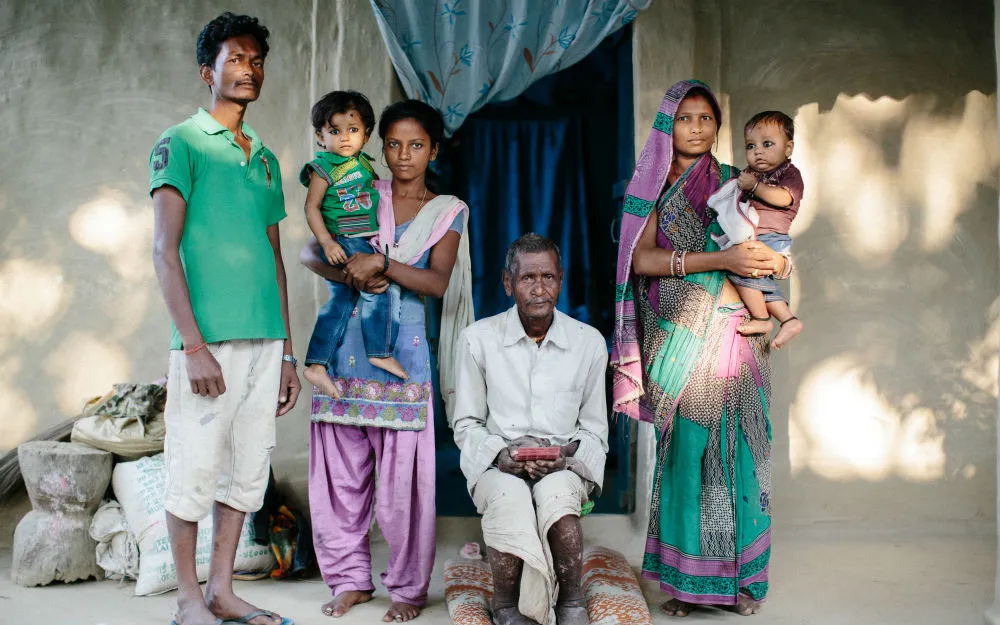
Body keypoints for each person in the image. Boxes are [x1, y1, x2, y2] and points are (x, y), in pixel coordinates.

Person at [611, 80, 791, 618]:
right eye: (685, 118)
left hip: (735, 329)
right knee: (687, 454)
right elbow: (639, 263)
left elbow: (776, 236)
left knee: (742, 452)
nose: (696, 127)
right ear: (668, 124)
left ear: (717, 125)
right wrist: (723, 262)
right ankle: (685, 583)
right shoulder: (646, 189)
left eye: (706, 119)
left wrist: (776, 265)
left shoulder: (738, 181)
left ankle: (742, 584)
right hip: (679, 332)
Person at [149, 12, 300, 625]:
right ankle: (189, 599)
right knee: (192, 466)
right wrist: (193, 345)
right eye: (236, 59)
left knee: (246, 469)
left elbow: (274, 258)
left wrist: (288, 353)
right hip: (207, 341)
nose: (249, 69)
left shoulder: (263, 157)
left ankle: (222, 589)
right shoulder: (180, 142)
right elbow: (163, 251)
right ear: (208, 71)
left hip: (266, 341)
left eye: (256, 60)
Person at [301, 99, 474, 623]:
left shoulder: (448, 210)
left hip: (405, 358)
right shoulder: (357, 189)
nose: (403, 155)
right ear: (381, 146)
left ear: (434, 150)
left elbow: (436, 282)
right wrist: (353, 273)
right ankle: (350, 579)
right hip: (341, 355)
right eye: (394, 144)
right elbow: (311, 252)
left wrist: (385, 263)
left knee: (403, 490)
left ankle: (406, 588)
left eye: (416, 144)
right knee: (339, 480)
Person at [452, 233, 609, 625]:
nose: (539, 289)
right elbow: (466, 423)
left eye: (549, 277)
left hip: (563, 464)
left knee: (557, 494)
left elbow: (595, 430)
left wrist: (563, 459)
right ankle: (505, 605)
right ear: (508, 283)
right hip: (498, 463)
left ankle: (570, 600)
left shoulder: (587, 343)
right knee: (508, 495)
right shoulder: (478, 339)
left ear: (561, 279)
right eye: (527, 279)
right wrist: (500, 455)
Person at [301, 90, 410, 400]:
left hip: (363, 238)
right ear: (321, 137)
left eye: (352, 130)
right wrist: (326, 242)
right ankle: (378, 350)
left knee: (340, 303)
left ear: (366, 134)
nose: (344, 138)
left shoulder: (363, 164)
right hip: (343, 239)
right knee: (379, 289)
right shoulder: (324, 167)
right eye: (334, 131)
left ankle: (316, 365)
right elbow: (311, 207)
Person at [709, 110, 804, 349]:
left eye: (767, 144)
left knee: (743, 273)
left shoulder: (789, 174)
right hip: (754, 235)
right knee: (759, 282)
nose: (757, 151)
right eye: (751, 146)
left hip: (771, 237)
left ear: (788, 148)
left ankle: (762, 318)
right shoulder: (751, 174)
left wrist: (756, 187)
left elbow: (784, 199)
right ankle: (788, 319)